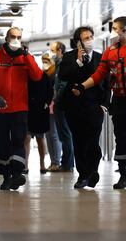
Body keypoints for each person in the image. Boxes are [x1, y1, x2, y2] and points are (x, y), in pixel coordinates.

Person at [72, 16, 126, 189]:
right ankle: (124, 176)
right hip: (119, 99)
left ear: (125, 29)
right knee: (121, 137)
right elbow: (99, 74)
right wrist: (83, 86)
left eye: (116, 28)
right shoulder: (110, 51)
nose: (114, 32)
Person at [0, 27, 43, 190]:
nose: (15, 39)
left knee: (18, 140)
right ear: (6, 38)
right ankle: (7, 176)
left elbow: (37, 76)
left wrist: (27, 55)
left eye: (19, 37)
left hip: (19, 109)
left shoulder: (25, 57)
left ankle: (16, 174)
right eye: (13, 36)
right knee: (2, 144)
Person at [58, 26, 110, 189]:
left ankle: (92, 171)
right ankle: (82, 175)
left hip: (94, 106)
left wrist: (104, 104)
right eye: (86, 38)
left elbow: (107, 83)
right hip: (73, 107)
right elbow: (63, 75)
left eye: (91, 37)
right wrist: (79, 62)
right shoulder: (69, 57)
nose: (90, 40)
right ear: (78, 42)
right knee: (78, 141)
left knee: (92, 140)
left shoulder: (101, 58)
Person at [24, 53, 54, 174]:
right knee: (26, 138)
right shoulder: (25, 76)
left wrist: (47, 102)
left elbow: (50, 92)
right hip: (28, 110)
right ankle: (25, 165)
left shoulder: (44, 77)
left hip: (40, 110)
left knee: (40, 138)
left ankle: (42, 164)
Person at [50, 41, 74, 172]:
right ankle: (67, 163)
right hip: (61, 102)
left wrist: (56, 98)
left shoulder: (64, 64)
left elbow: (63, 84)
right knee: (64, 134)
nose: (51, 54)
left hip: (63, 103)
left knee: (65, 134)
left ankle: (67, 164)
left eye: (53, 51)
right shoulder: (58, 65)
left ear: (60, 51)